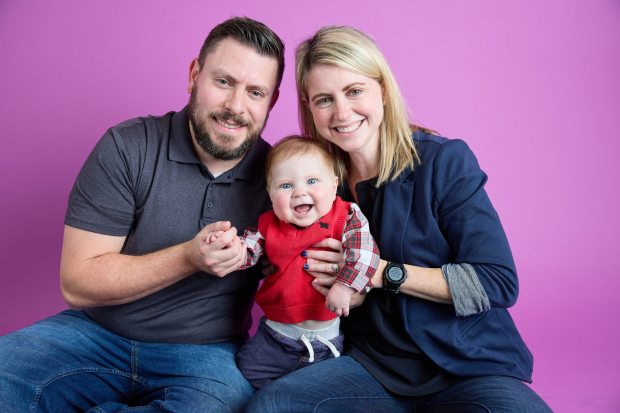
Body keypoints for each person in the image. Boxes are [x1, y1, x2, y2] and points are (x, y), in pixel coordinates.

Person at [245, 26, 553, 413]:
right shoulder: (313, 187)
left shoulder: (443, 162)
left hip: (467, 367)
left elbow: (496, 283)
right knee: (274, 406)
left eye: (354, 91)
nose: (342, 112)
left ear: (383, 91)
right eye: (324, 99)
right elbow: (276, 250)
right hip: (372, 369)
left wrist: (379, 273)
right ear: (309, 108)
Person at [0, 17, 284, 413]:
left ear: (271, 102)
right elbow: (78, 283)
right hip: (96, 334)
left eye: (255, 92)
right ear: (194, 76)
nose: (236, 107)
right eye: (223, 82)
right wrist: (188, 258)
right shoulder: (128, 146)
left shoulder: (283, 177)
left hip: (204, 355)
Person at [204, 136, 379, 389]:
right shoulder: (268, 225)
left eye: (311, 181)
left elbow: (365, 253)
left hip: (324, 345)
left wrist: (345, 285)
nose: (299, 192)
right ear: (270, 194)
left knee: (321, 395)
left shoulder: (346, 217)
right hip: (274, 338)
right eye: (285, 186)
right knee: (244, 383)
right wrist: (228, 246)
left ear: (333, 186)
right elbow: (248, 250)